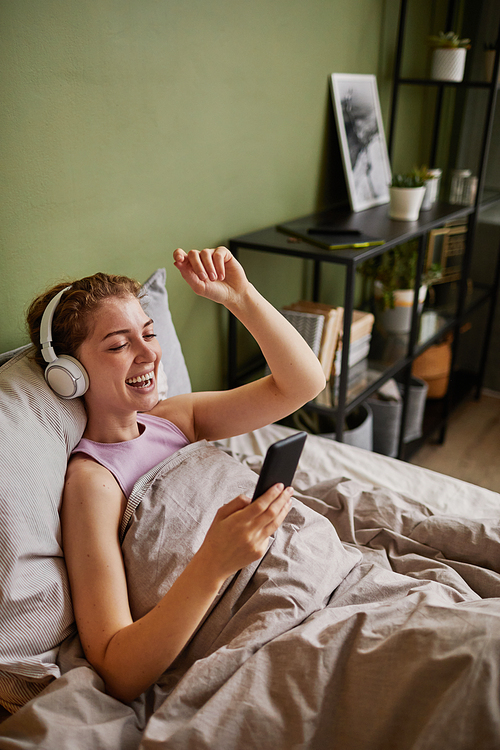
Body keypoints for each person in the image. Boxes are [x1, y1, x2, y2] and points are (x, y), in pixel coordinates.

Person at [27, 246, 326, 704]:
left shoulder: (177, 417)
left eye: (148, 333)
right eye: (119, 344)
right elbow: (117, 668)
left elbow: (304, 383)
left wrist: (241, 297)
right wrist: (215, 562)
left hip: (320, 569)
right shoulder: (91, 483)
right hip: (266, 614)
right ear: (71, 374)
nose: (148, 353)